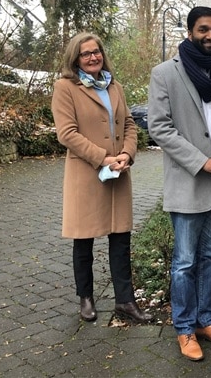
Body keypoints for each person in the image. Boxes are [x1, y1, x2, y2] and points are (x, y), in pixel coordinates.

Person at [147, 7, 211, 361]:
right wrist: (202, 161)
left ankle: (206, 322)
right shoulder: (165, 73)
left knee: (210, 258)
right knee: (184, 262)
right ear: (190, 32)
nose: (210, 35)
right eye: (203, 29)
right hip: (189, 183)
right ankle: (184, 328)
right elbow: (159, 127)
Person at [52, 32, 153, 324]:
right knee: (83, 240)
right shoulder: (65, 88)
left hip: (118, 174)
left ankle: (125, 302)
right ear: (76, 59)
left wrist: (127, 154)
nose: (93, 57)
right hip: (86, 174)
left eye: (96, 52)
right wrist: (103, 157)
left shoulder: (114, 86)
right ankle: (86, 298)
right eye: (85, 54)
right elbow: (67, 133)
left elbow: (130, 124)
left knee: (120, 239)